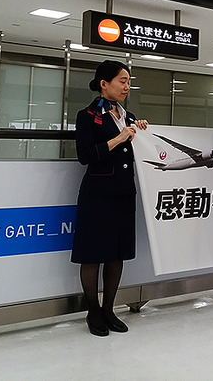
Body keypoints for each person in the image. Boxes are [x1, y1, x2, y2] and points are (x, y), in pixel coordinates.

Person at [71, 60, 148, 336]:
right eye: (121, 81)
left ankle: (109, 309)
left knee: (117, 255)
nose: (126, 86)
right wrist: (118, 138)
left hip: (124, 193)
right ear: (104, 84)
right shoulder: (87, 115)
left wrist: (139, 132)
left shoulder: (129, 116)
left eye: (128, 81)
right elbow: (86, 156)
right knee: (92, 255)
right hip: (97, 194)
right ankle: (93, 311)